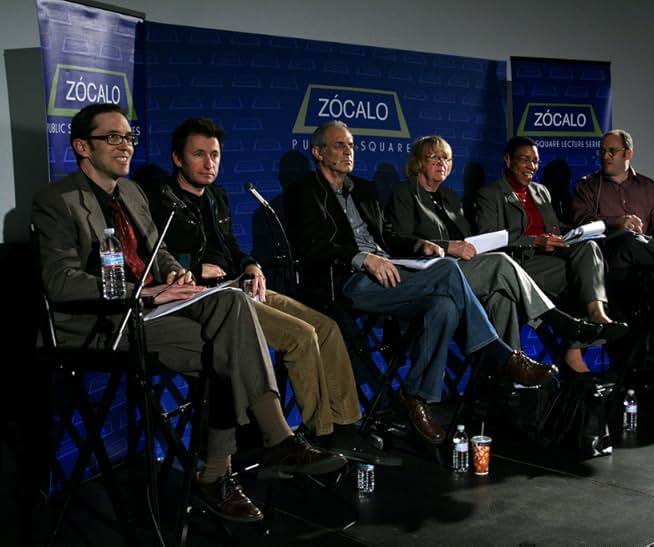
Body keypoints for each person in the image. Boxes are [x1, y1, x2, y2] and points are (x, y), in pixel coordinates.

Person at [32, 104, 345, 524]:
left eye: (129, 137)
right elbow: (61, 282)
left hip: (154, 311)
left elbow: (155, 253)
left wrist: (173, 273)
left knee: (232, 307)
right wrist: (145, 292)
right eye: (113, 137)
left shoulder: (131, 193)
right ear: (81, 146)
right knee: (227, 343)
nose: (125, 145)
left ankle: (250, 453)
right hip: (104, 325)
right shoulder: (56, 200)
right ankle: (240, 459)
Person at [284, 121, 567, 445]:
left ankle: (415, 398)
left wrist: (421, 246)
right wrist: (361, 258)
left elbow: (390, 236)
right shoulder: (302, 193)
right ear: (317, 153)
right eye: (339, 146)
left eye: (351, 145)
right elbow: (311, 249)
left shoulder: (363, 189)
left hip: (395, 273)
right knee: (448, 271)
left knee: (444, 306)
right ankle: (502, 355)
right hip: (349, 281)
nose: (348, 151)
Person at [144, 117, 365, 451]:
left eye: (215, 155)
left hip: (237, 283)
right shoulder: (160, 201)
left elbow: (230, 246)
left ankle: (347, 424)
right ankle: (321, 436)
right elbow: (158, 258)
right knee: (301, 336)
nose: (209, 163)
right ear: (178, 159)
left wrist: (250, 264)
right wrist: (198, 270)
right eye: (199, 154)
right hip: (205, 298)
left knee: (326, 327)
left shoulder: (216, 196)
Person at [388, 135, 627, 374]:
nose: (441, 163)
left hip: (467, 269)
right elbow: (398, 241)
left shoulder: (449, 197)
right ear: (419, 161)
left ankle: (508, 374)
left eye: (446, 158)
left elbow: (471, 238)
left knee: (503, 295)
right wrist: (446, 245)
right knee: (502, 263)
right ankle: (562, 324)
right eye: (433, 157)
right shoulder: (405, 193)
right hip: (434, 272)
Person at [572, 129, 654, 377]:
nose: (605, 156)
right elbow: (580, 222)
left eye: (611, 151)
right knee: (628, 238)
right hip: (609, 263)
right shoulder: (588, 186)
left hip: (645, 266)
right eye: (602, 151)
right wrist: (617, 222)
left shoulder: (648, 187)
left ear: (628, 154)